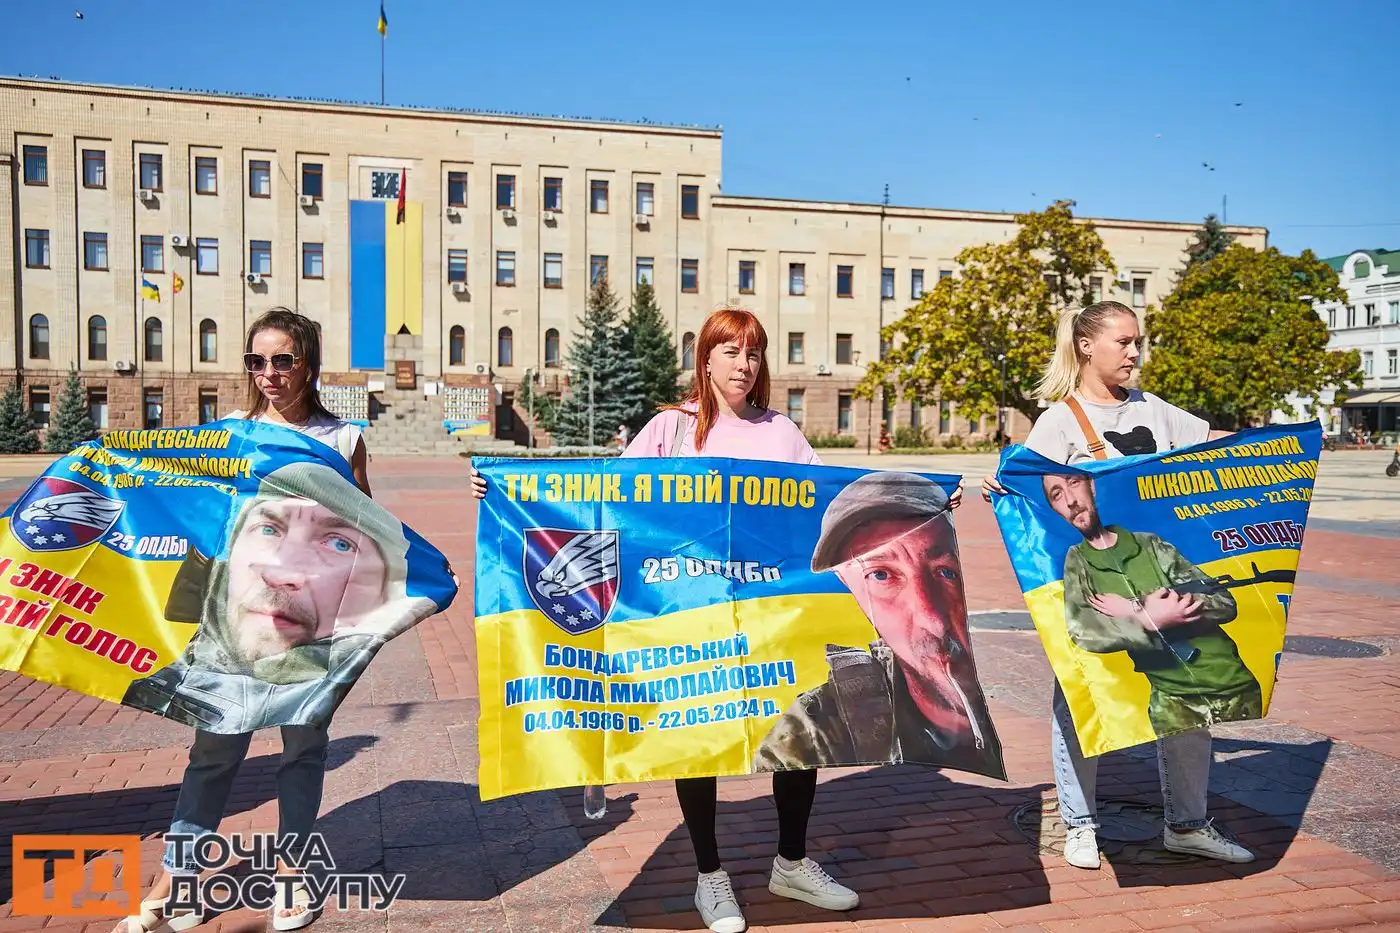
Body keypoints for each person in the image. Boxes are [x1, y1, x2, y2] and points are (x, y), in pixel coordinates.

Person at [472, 307, 962, 933]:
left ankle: (791, 863)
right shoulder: (671, 428)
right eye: (730, 352)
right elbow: (604, 496)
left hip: (772, 615)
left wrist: (925, 501)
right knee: (695, 736)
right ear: (704, 361)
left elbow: (835, 505)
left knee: (797, 737)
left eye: (753, 353)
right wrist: (504, 490)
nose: (744, 364)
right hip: (688, 612)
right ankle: (710, 876)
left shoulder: (782, 433)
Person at [118, 307, 374, 933]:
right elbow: (181, 500)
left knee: (302, 748)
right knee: (214, 748)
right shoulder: (228, 434)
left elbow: (367, 529)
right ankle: (179, 877)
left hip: (308, 617)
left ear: (308, 365)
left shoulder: (342, 440)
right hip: (234, 614)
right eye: (256, 361)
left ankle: (291, 874)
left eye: (282, 360)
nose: (268, 373)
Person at [982, 300, 1254, 871]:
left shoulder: (1155, 410)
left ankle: (1187, 825)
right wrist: (1003, 490)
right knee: (1082, 700)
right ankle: (1080, 824)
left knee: (1190, 706)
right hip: (1093, 586)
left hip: (1158, 573)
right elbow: (1032, 495)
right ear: (1087, 346)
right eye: (1123, 342)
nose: (1134, 353)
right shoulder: (1060, 421)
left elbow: (1216, 444)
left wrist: (1283, 446)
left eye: (1137, 342)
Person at [754, 471, 1000, 778]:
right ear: (848, 584)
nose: (933, 621)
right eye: (881, 575)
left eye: (944, 571)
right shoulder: (816, 725)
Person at [1043, 472, 1262, 736]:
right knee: (1183, 761)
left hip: (1235, 682)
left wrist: (1144, 609)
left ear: (1091, 486)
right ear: (1054, 509)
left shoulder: (1149, 545)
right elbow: (1084, 632)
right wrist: (1145, 619)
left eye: (1074, 483)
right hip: (1174, 699)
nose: (1070, 500)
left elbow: (1224, 603)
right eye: (1057, 494)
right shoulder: (1079, 562)